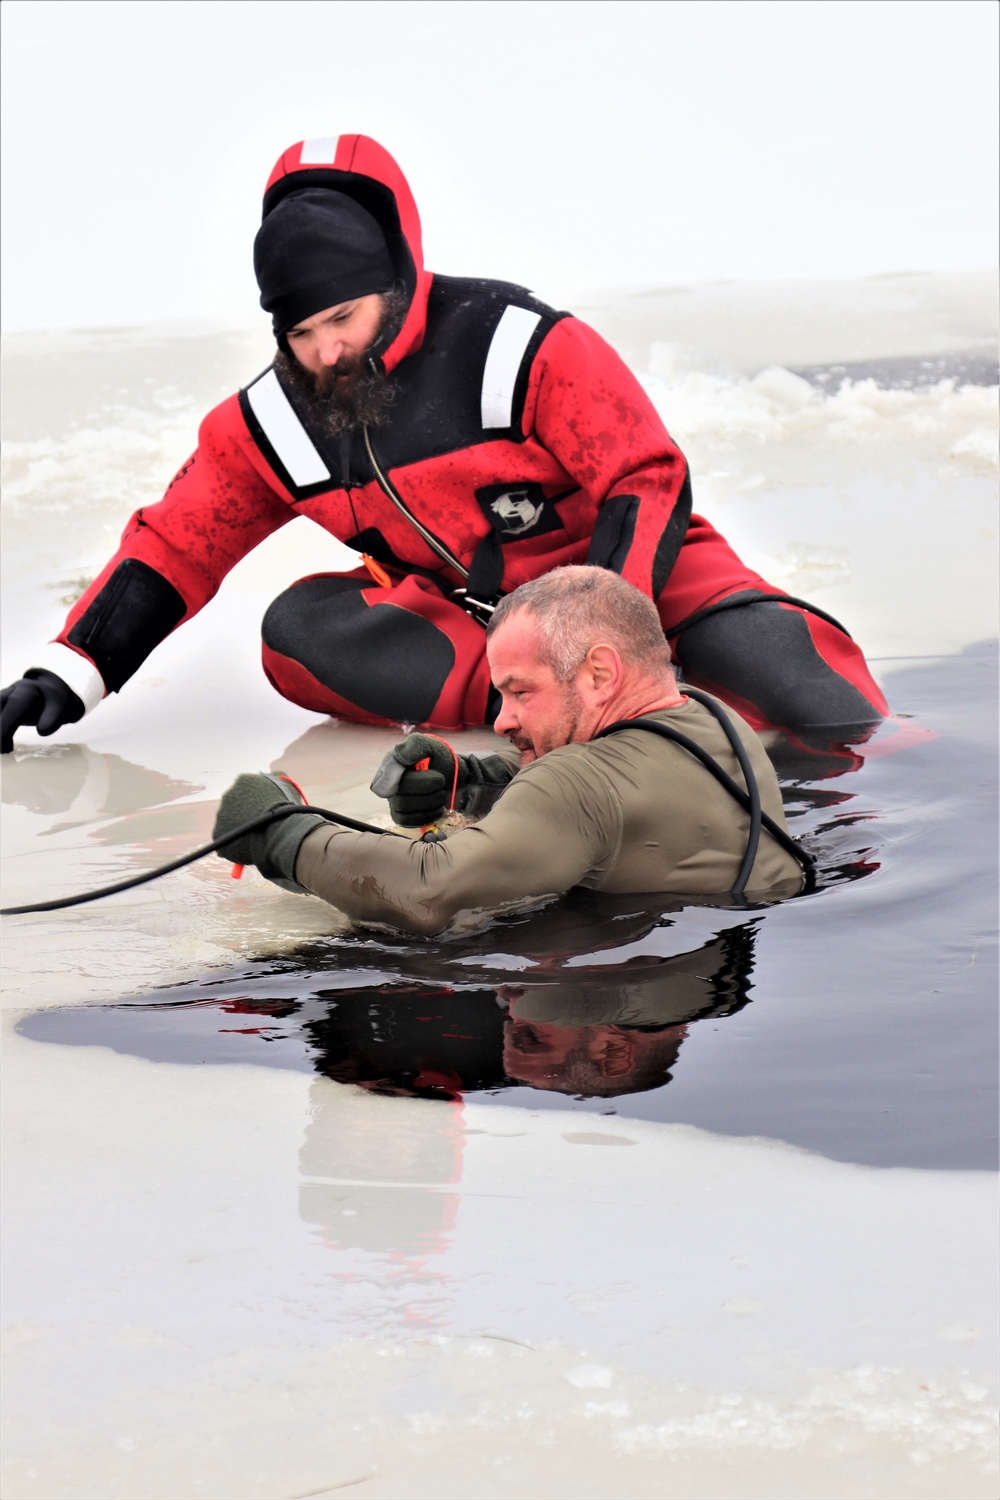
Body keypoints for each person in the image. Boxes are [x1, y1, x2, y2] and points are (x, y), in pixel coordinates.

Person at [0, 133, 888, 758]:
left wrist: (602, 640)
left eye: (342, 319)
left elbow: (645, 478)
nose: (325, 352)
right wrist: (71, 670)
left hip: (634, 579)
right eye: (300, 332)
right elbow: (178, 543)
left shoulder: (517, 345)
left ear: (394, 279)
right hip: (477, 618)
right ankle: (531, 718)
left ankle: (653, 696)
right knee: (297, 633)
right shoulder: (273, 423)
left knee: (810, 690)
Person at [211, 568, 804, 935]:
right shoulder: (713, 716)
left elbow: (425, 891)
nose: (503, 719)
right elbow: (621, 809)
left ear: (600, 672)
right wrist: (474, 783)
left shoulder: (578, 783)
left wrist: (283, 834)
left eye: (521, 692)